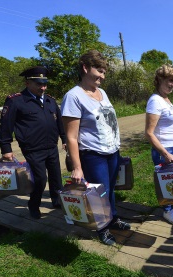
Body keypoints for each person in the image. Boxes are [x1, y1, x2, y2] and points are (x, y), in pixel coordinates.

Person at [61, 50, 130, 246]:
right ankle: (102, 227)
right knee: (99, 194)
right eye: (99, 71)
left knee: (110, 190)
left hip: (112, 152)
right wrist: (77, 167)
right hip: (93, 155)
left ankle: (113, 218)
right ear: (85, 68)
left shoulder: (103, 93)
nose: (103, 76)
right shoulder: (73, 97)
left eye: (104, 72)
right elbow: (72, 137)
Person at [0, 66, 67, 219]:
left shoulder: (50, 100)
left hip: (51, 146)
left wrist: (64, 138)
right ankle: (34, 204)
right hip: (33, 148)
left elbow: (59, 122)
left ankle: (56, 200)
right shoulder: (16, 101)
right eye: (39, 84)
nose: (43, 87)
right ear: (27, 82)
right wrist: (6, 148)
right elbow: (6, 126)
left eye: (45, 84)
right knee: (40, 178)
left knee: (56, 176)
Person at [145, 64, 173, 225]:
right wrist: (164, 153)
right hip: (164, 149)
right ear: (159, 80)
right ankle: (167, 210)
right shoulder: (155, 101)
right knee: (166, 181)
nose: (172, 84)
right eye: (169, 80)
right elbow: (149, 133)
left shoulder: (166, 99)